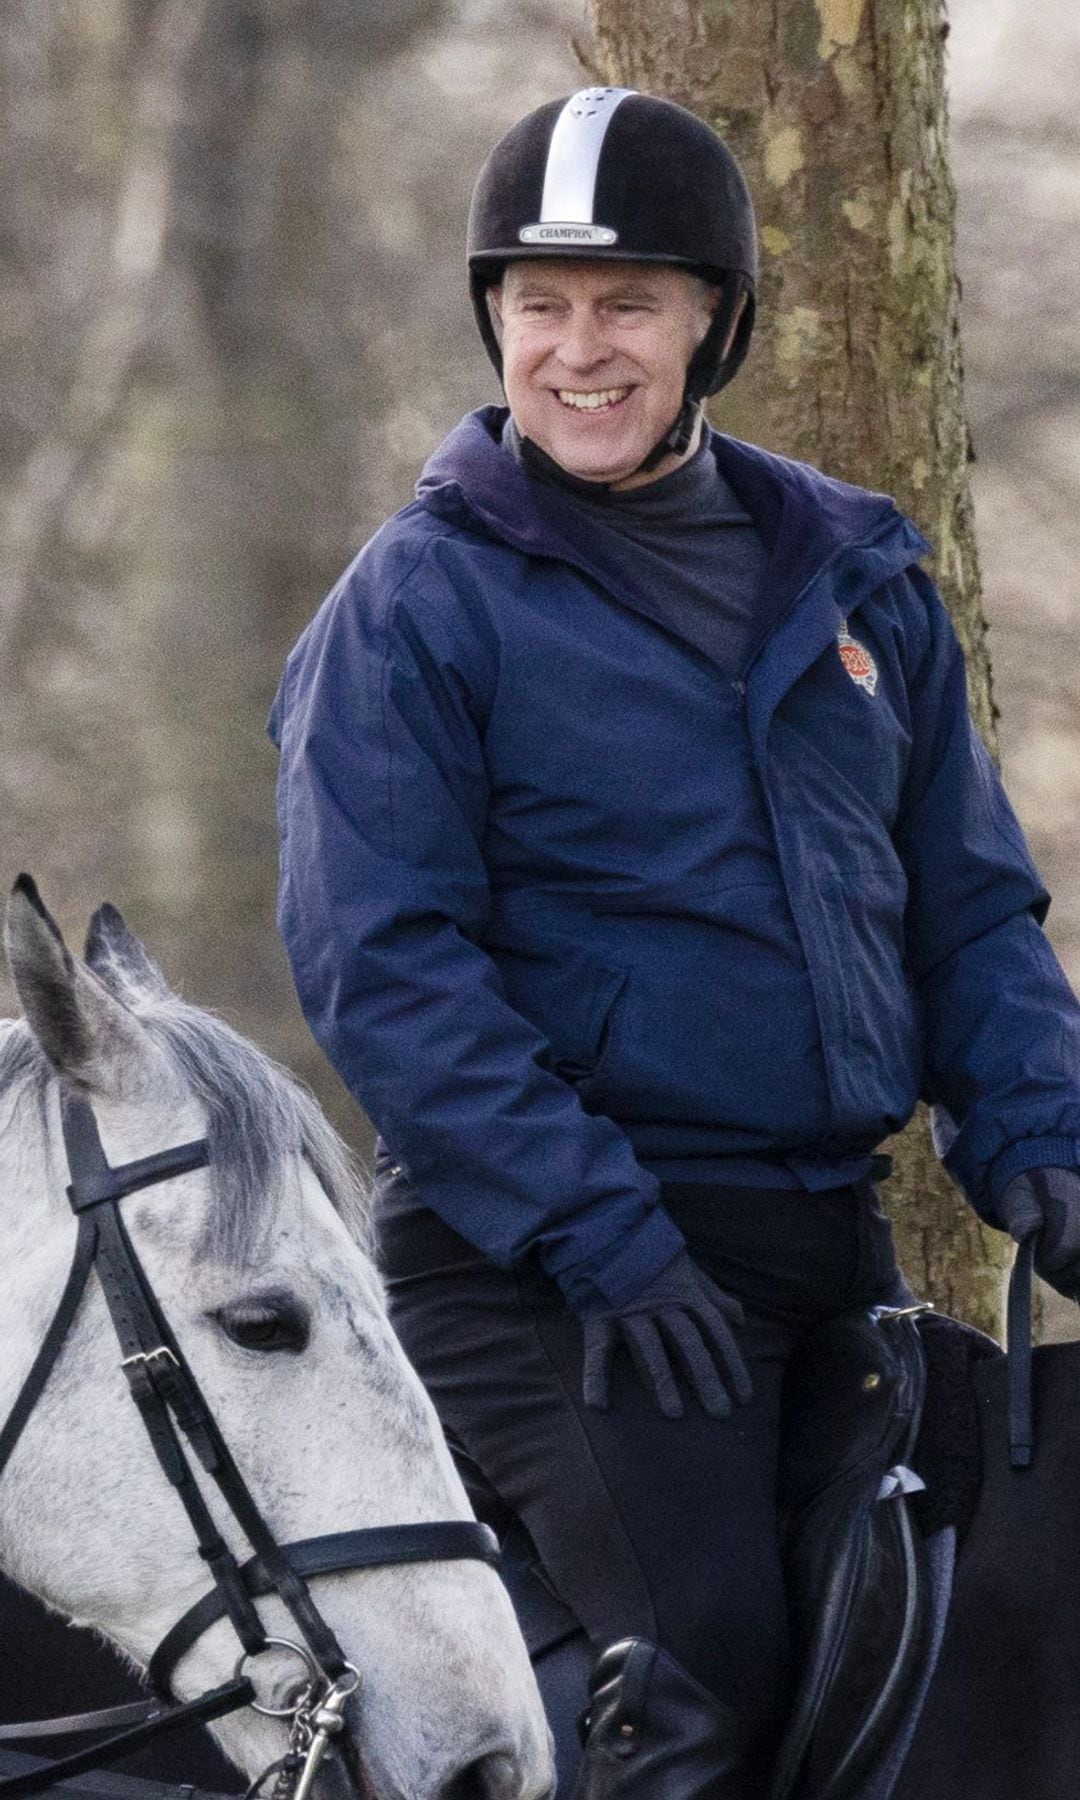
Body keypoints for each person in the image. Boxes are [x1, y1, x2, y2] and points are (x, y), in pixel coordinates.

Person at [270, 87, 1080, 1797]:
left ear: (716, 321)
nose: (580, 350)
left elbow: (970, 911)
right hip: (555, 1272)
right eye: (539, 306)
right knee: (696, 1693)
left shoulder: (854, 578)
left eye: (628, 302)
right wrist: (596, 1234)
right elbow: (385, 968)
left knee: (949, 1657)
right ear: (492, 319)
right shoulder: (418, 604)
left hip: (817, 1246)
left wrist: (1045, 1143)